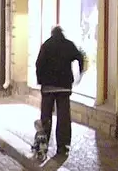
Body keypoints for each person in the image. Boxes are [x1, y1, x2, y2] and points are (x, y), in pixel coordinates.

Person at [34, 26, 85, 158]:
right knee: (63, 118)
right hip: (64, 87)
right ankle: (63, 147)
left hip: (48, 87)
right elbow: (80, 57)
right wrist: (80, 73)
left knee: (46, 117)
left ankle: (42, 145)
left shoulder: (46, 45)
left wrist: (41, 81)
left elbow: (38, 64)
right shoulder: (68, 45)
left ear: (52, 34)